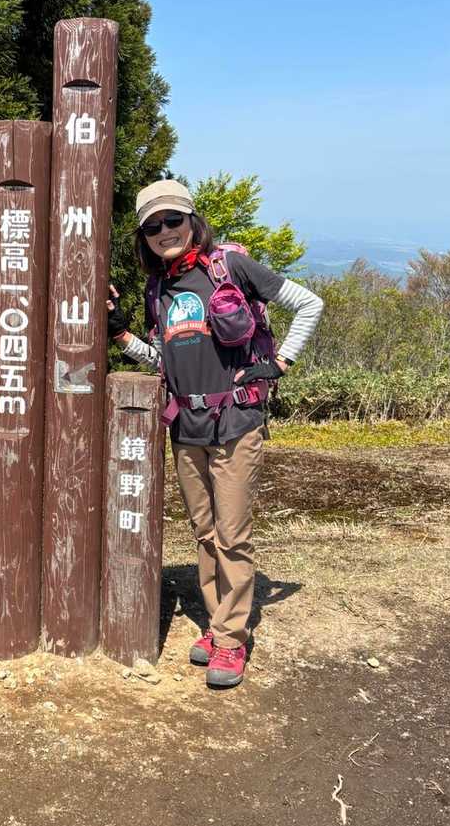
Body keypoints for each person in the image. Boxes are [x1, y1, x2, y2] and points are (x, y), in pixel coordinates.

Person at [107, 179, 323, 689]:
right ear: (144, 236)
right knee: (204, 532)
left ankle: (231, 638)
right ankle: (217, 622)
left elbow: (309, 303)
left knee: (232, 534)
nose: (165, 232)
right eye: (153, 226)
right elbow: (164, 358)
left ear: (192, 221)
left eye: (173, 220)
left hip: (236, 423)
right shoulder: (158, 288)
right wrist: (121, 333)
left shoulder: (230, 266)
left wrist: (281, 362)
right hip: (186, 426)